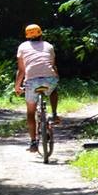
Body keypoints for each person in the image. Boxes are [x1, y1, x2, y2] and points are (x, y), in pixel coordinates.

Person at [15, 24, 60, 152]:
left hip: (32, 81)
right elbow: (52, 65)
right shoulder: (49, 46)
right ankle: (55, 114)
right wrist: (56, 78)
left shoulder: (22, 47)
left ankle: (33, 142)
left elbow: (21, 70)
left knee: (30, 112)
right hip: (49, 79)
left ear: (27, 36)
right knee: (53, 89)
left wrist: (17, 86)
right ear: (41, 34)